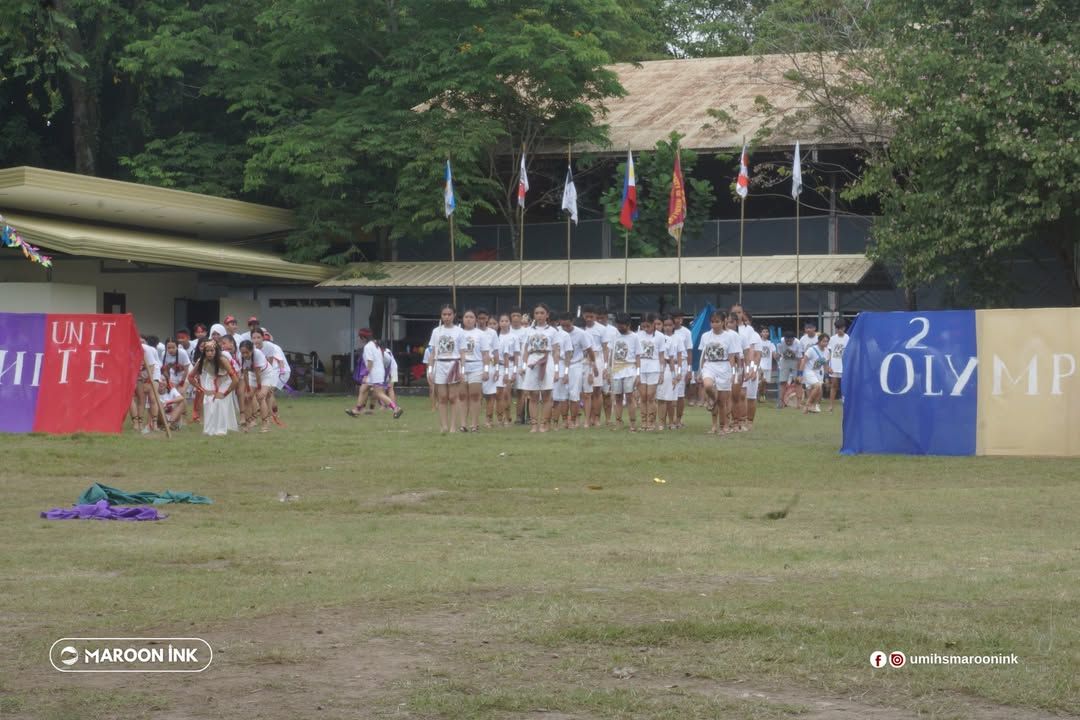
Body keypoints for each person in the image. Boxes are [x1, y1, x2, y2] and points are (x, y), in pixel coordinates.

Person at [518, 303, 561, 433]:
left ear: (547, 315)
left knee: (547, 395)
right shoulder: (528, 331)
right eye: (537, 313)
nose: (539, 315)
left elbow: (556, 351)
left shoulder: (553, 331)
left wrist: (557, 370)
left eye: (542, 313)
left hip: (547, 362)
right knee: (533, 395)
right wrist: (523, 366)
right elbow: (525, 350)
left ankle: (544, 423)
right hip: (532, 361)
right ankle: (534, 424)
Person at [698, 311, 742, 435]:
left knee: (723, 401)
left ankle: (724, 426)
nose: (715, 324)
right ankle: (713, 399)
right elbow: (702, 356)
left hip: (724, 366)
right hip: (709, 365)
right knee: (708, 386)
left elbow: (732, 357)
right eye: (712, 322)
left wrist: (734, 374)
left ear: (723, 322)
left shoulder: (730, 336)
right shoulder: (705, 336)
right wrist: (699, 371)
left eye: (717, 321)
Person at [188, 339, 239, 436]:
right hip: (211, 380)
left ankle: (221, 430)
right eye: (207, 351)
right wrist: (202, 390)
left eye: (212, 351)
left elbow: (235, 380)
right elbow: (190, 377)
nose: (209, 353)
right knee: (208, 402)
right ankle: (209, 429)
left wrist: (225, 393)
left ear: (216, 351)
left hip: (225, 380)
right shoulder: (201, 361)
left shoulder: (223, 360)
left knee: (219, 401)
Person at [428, 304, 465, 433]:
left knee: (453, 397)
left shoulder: (459, 331)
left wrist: (462, 370)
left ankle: (453, 426)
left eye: (449, 314)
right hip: (440, 364)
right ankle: (444, 425)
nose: (447, 317)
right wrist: (430, 370)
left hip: (454, 364)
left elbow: (462, 352)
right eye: (444, 314)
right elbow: (432, 352)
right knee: (442, 397)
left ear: (454, 315)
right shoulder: (436, 331)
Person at [556, 311, 594, 430]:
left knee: (574, 395)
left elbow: (589, 350)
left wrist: (593, 365)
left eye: (568, 325)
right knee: (562, 395)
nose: (565, 328)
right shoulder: (557, 332)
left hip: (576, 365)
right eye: (563, 326)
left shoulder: (581, 334)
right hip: (561, 363)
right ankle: (564, 420)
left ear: (572, 322)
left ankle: (573, 420)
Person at [607, 312, 641, 431]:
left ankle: (632, 423)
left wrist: (638, 374)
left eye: (622, 326)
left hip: (629, 369)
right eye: (618, 325)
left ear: (628, 325)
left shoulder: (635, 337)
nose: (620, 328)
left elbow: (638, 356)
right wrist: (608, 370)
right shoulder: (614, 336)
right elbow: (611, 354)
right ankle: (618, 422)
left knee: (630, 397)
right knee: (617, 397)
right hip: (616, 370)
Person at [459, 309, 491, 432]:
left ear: (475, 319)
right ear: (463, 319)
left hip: (476, 366)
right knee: (462, 396)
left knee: (475, 396)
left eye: (471, 317)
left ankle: (474, 424)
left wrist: (486, 370)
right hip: (462, 367)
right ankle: (463, 424)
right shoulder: (459, 333)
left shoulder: (481, 334)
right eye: (466, 316)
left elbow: (485, 354)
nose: (468, 319)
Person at [635, 313, 666, 432]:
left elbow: (661, 356)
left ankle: (651, 422)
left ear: (654, 324)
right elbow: (636, 355)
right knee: (643, 397)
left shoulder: (660, 337)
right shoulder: (637, 336)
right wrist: (636, 372)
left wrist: (662, 373)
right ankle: (643, 421)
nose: (646, 329)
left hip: (654, 368)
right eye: (643, 326)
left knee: (650, 396)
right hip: (641, 368)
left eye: (648, 326)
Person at [239, 339, 275, 432]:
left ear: (252, 350)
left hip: (265, 375)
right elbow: (245, 374)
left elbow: (258, 374)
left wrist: (259, 389)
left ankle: (265, 423)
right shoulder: (241, 356)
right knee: (247, 397)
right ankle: (249, 423)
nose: (244, 355)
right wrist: (247, 389)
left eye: (247, 352)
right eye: (243, 353)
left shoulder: (257, 354)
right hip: (253, 375)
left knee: (260, 397)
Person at [132, 336, 163, 434]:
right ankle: (139, 423)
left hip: (153, 373)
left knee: (153, 398)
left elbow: (152, 366)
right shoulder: (130, 350)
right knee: (141, 399)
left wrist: (148, 382)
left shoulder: (147, 350)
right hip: (140, 374)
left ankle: (154, 424)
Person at [657, 314, 683, 431]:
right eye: (665, 325)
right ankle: (661, 421)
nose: (667, 327)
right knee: (661, 397)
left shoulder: (677, 339)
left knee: (671, 399)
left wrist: (678, 373)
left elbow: (679, 356)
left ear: (674, 326)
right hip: (660, 368)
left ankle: (672, 421)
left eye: (670, 325)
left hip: (672, 368)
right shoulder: (659, 338)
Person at [494, 312, 519, 427]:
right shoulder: (496, 336)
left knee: (506, 393)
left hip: (509, 366)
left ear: (509, 322)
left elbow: (516, 355)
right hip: (497, 366)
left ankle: (507, 417)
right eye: (502, 321)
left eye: (506, 321)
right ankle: (499, 417)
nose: (504, 323)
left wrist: (514, 371)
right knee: (498, 393)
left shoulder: (514, 337)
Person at [477, 309, 500, 428]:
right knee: (476, 395)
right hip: (475, 365)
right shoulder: (472, 332)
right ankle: (475, 420)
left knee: (490, 395)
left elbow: (496, 352)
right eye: (479, 318)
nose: (481, 320)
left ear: (487, 318)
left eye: (483, 318)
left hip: (490, 365)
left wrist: (497, 369)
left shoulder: (492, 333)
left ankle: (488, 419)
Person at [671, 308, 694, 427]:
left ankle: (679, 419)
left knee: (680, 394)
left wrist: (689, 370)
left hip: (682, 364)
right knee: (667, 393)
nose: (678, 321)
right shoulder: (667, 331)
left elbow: (689, 351)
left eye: (681, 318)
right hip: (668, 364)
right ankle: (668, 419)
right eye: (676, 318)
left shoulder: (686, 332)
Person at [801, 333, 830, 414]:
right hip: (809, 371)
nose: (825, 343)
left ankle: (811, 407)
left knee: (819, 391)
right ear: (819, 341)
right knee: (817, 386)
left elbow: (825, 365)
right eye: (824, 341)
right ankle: (808, 404)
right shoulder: (811, 350)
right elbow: (803, 361)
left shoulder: (827, 351)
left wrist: (827, 377)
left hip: (819, 373)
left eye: (827, 341)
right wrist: (800, 374)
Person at [776, 332, 804, 409]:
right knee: (783, 382)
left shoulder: (798, 343)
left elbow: (799, 359)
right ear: (784, 339)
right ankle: (781, 402)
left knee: (798, 382)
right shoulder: (779, 342)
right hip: (785, 361)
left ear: (793, 339)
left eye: (790, 341)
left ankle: (799, 403)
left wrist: (799, 373)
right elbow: (778, 355)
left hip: (795, 361)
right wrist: (776, 356)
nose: (788, 342)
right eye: (786, 340)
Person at [826, 318, 849, 412]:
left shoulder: (848, 338)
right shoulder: (832, 338)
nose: (839, 330)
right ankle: (831, 405)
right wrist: (828, 366)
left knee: (845, 387)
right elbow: (829, 352)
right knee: (834, 386)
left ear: (844, 328)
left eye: (840, 328)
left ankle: (846, 406)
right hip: (834, 367)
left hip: (844, 367)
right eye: (837, 328)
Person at [350, 328, 374, 414]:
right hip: (372, 371)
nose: (359, 339)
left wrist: (366, 374)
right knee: (366, 390)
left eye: (360, 337)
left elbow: (370, 362)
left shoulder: (368, 347)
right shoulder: (373, 345)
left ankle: (358, 409)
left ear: (363, 338)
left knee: (364, 390)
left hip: (371, 372)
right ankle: (361, 408)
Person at [758, 327, 777, 404]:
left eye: (766, 332)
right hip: (759, 365)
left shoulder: (771, 344)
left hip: (768, 366)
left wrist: (778, 355)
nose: (765, 333)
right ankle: (759, 395)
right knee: (761, 381)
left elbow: (774, 355)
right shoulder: (758, 343)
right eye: (763, 331)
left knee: (765, 382)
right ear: (760, 333)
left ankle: (762, 395)